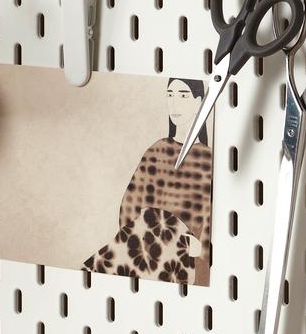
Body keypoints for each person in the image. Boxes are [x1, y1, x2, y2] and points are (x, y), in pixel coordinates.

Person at [84, 78, 213, 285]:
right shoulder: (157, 150)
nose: (174, 103)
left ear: (199, 101)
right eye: (169, 95)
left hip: (184, 256)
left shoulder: (207, 159)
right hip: (144, 249)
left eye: (183, 95)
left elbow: (212, 218)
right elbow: (130, 205)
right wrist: (135, 239)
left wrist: (202, 248)